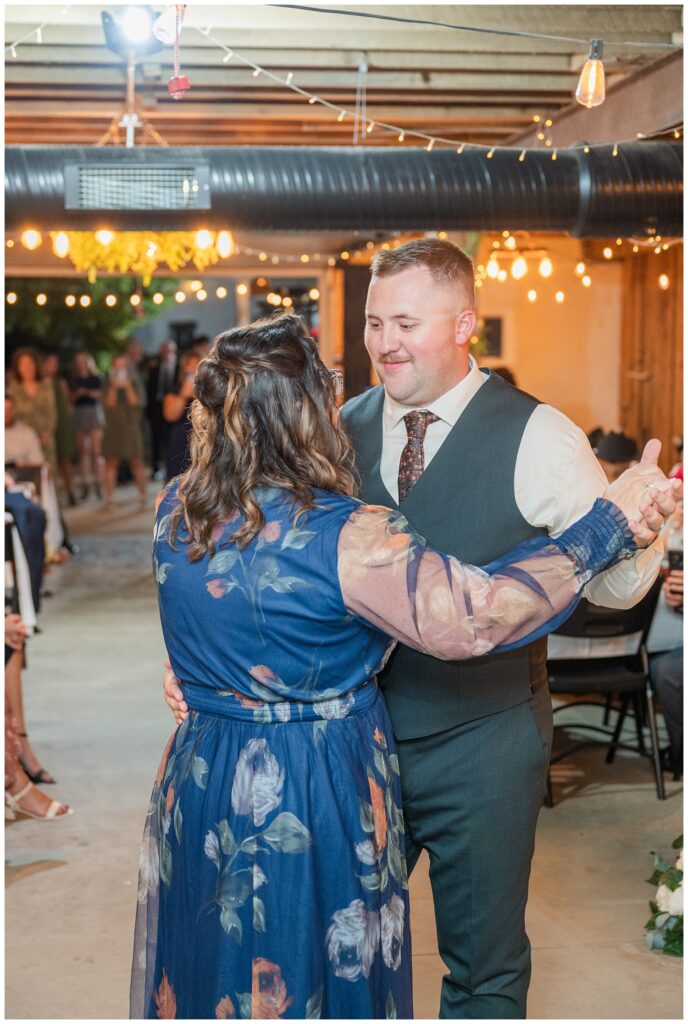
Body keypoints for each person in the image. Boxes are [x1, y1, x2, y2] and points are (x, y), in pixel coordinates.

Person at [139, 313, 674, 1020]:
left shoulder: (175, 508)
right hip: (308, 786)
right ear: (300, 414)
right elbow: (476, 613)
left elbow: (213, 618)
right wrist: (606, 525)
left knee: (220, 969)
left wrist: (200, 683)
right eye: (324, 393)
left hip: (202, 778)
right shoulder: (348, 535)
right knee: (305, 974)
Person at [102, 354, 148, 510]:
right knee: (111, 462)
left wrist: (127, 386)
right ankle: (110, 499)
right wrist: (114, 387)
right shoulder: (108, 384)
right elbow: (108, 404)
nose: (120, 369)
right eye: (117, 366)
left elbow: (136, 403)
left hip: (131, 428)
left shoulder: (135, 383)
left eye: (123, 366)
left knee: (137, 462)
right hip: (113, 428)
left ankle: (143, 497)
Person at [7, 348, 58, 478]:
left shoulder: (46, 385)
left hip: (44, 438)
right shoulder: (14, 388)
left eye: (30, 363)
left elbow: (52, 413)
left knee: (47, 475)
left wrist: (46, 433)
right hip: (21, 440)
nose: (27, 367)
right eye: (23, 364)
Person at [41, 352, 77, 506]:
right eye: (50, 363)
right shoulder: (40, 383)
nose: (53, 367)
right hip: (47, 424)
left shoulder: (60, 383)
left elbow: (67, 402)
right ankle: (55, 495)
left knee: (65, 460)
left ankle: (71, 491)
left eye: (55, 364)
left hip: (62, 423)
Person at [70, 351, 105, 500]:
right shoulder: (73, 380)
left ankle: (98, 483)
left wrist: (89, 393)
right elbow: (69, 398)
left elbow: (102, 395)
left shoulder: (96, 378)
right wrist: (78, 393)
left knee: (96, 451)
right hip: (79, 413)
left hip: (93, 413)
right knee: (83, 451)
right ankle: (85, 482)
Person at [162, 350, 201, 481]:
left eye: (197, 364)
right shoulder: (175, 389)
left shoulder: (210, 390)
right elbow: (169, 416)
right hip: (180, 440)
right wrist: (184, 394)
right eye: (190, 364)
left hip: (203, 440)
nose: (194, 368)